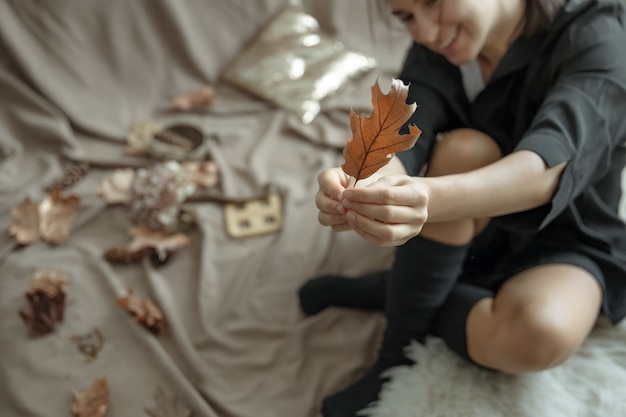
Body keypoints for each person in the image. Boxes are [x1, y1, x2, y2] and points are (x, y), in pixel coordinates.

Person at [297, 0, 626, 416]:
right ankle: (397, 349)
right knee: (465, 149)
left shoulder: (600, 33)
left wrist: (425, 198)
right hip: (463, 228)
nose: (427, 32)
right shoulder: (441, 46)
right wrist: (364, 182)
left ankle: (405, 291)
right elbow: (409, 129)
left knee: (541, 335)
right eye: (406, 17)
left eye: (433, 3)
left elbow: (548, 168)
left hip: (566, 234)